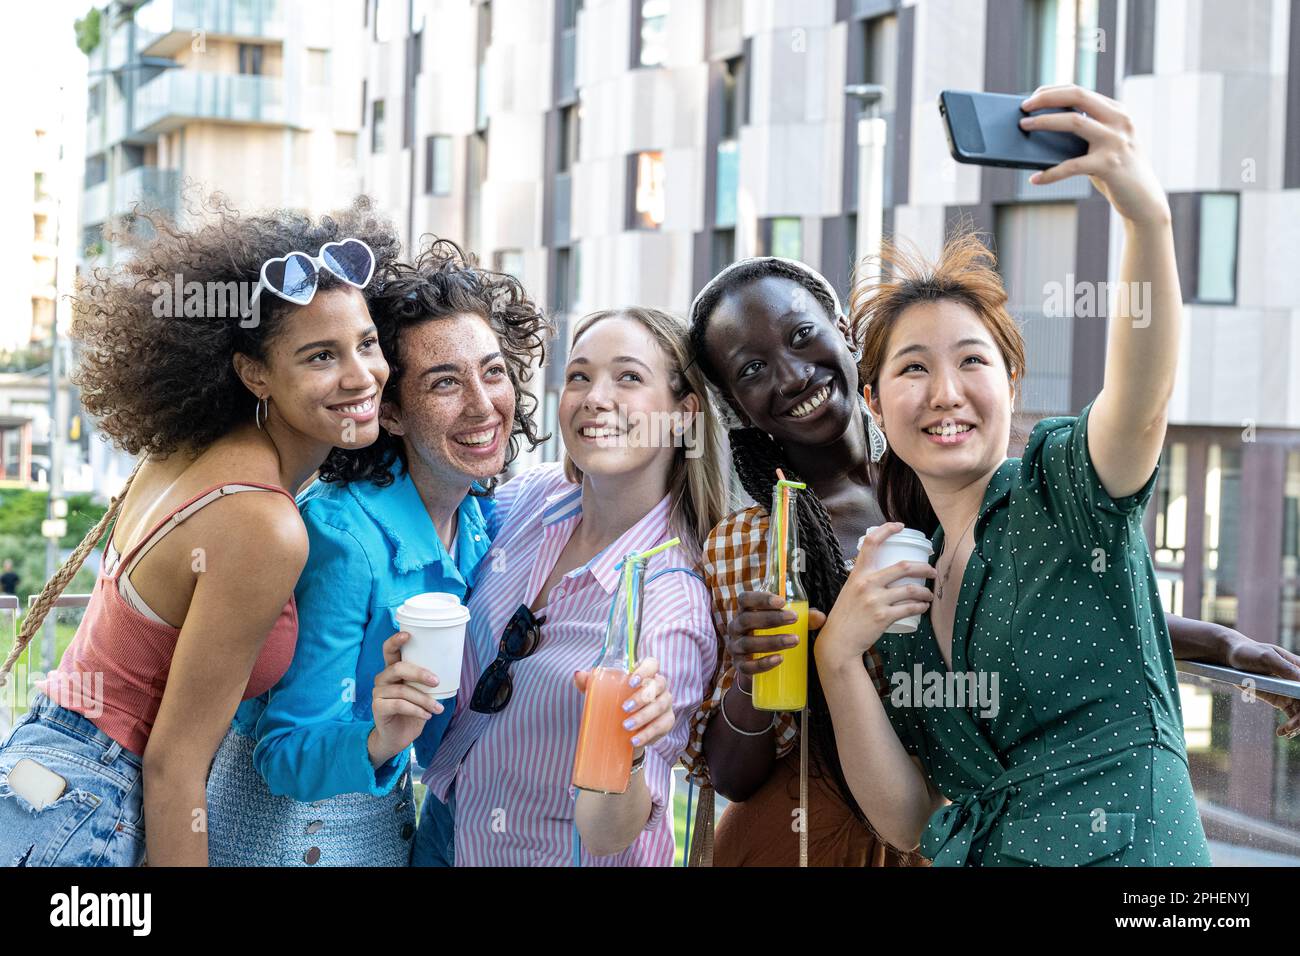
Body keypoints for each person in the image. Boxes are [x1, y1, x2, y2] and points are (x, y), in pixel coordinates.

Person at [683, 235, 1300, 863]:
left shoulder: (939, 478)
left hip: (952, 831)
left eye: (799, 336)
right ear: (734, 402)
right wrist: (759, 672)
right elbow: (734, 774)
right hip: (816, 836)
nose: (790, 374)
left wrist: (1225, 644)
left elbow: (1060, 614)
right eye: (751, 369)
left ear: (842, 332)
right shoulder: (756, 539)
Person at [813, 83, 1254, 865]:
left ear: (1010, 384)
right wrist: (839, 655)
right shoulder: (901, 586)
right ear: (876, 403)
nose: (946, 392)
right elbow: (909, 820)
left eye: (972, 361)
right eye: (914, 369)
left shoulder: (1063, 488)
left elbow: (1142, 401)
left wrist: (1143, 216)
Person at [0, 196, 397, 866]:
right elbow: (173, 766)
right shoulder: (263, 522)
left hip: (38, 773)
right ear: (254, 373)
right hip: (91, 810)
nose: (361, 377)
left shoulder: (190, 445)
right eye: (321, 356)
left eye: (366, 343)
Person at [206, 239, 550, 866]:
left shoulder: (478, 521)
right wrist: (378, 738)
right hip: (291, 840)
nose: (483, 404)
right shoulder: (343, 541)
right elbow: (281, 752)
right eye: (445, 382)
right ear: (389, 411)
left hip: (386, 828)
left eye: (493, 371)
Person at [421, 307, 727, 865]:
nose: (594, 397)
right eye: (580, 375)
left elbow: (609, 834)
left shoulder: (668, 602)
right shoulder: (528, 500)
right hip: (445, 828)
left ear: (683, 415)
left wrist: (630, 752)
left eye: (629, 377)